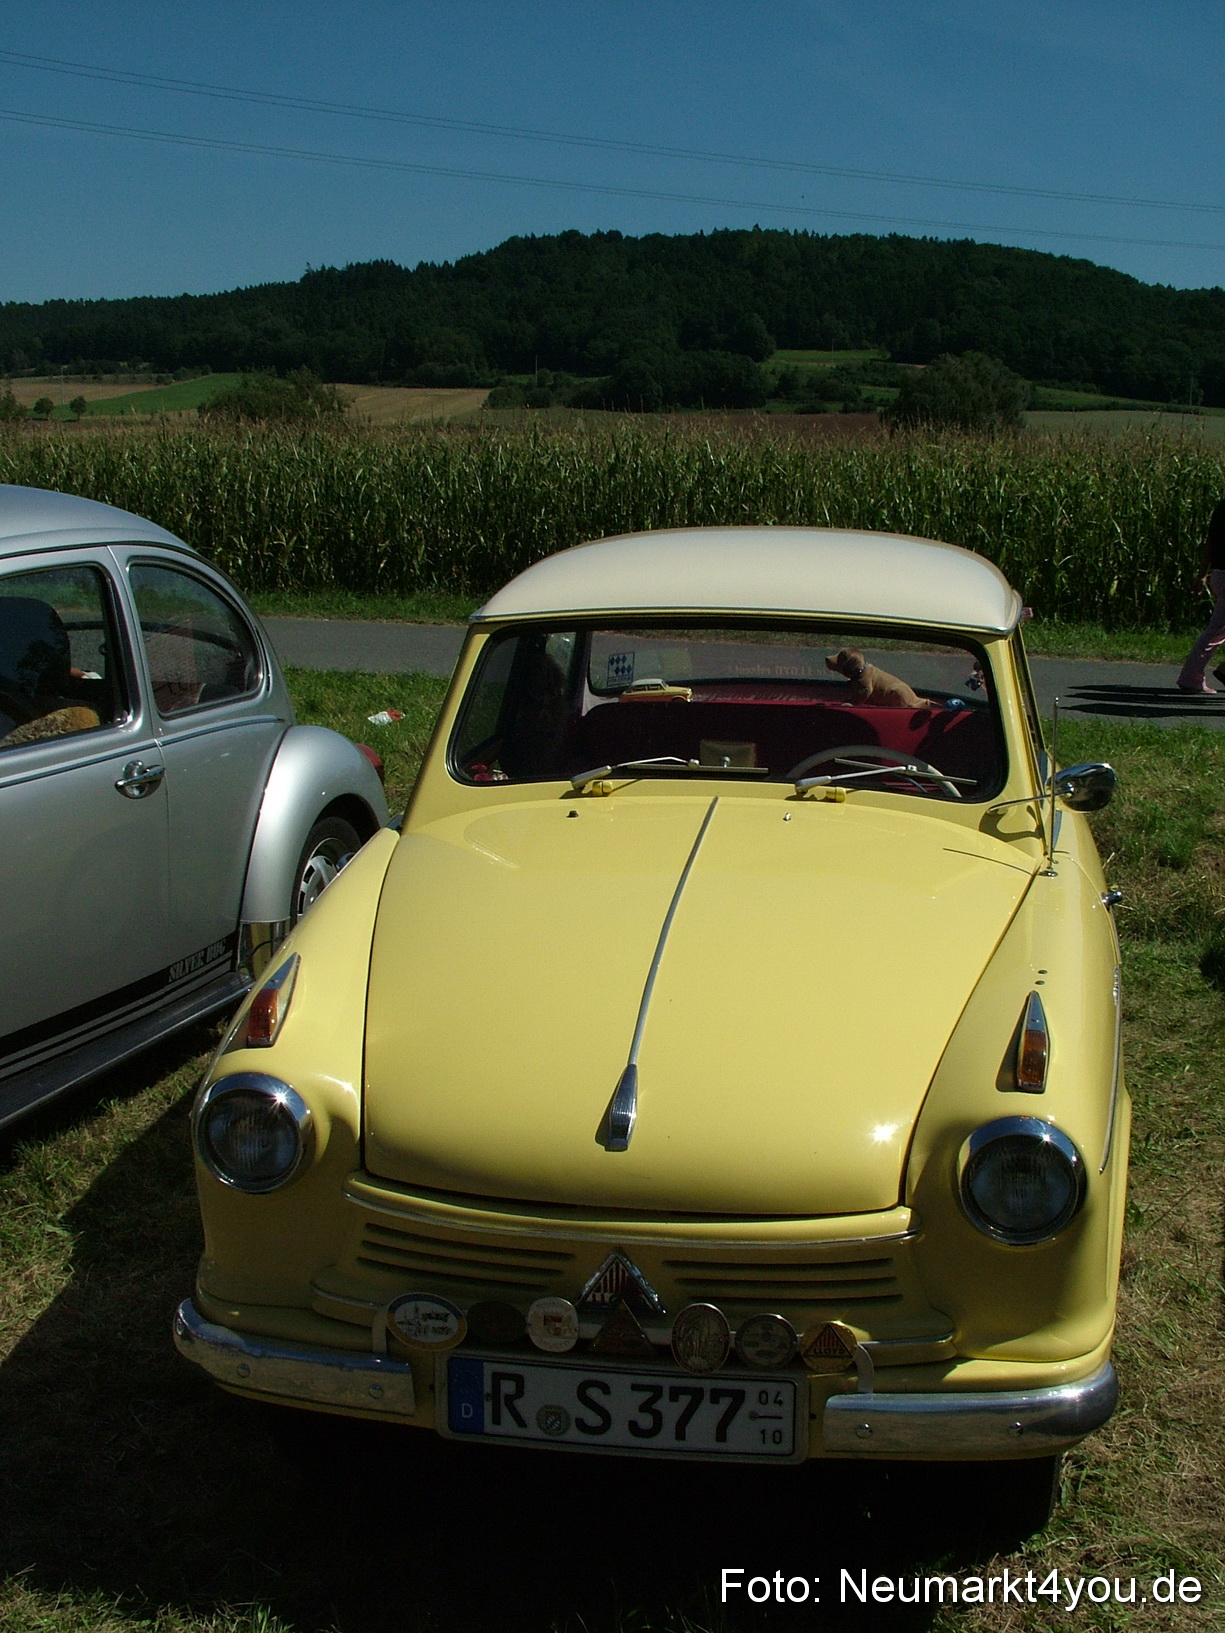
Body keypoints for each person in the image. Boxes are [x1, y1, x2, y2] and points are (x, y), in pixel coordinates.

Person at [1177, 498, 1225, 694]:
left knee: (1216, 630)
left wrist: (1202, 574)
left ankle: (1191, 676)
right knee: (1217, 630)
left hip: (1219, 574)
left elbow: (1210, 543)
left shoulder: (1222, 507)